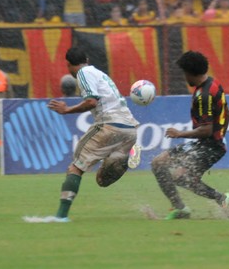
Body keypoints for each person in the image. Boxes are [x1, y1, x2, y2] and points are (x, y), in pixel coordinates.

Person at [24, 47, 141, 223]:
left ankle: (61, 216)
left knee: (75, 167)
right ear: (86, 59)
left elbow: (91, 102)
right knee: (101, 180)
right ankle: (122, 159)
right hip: (130, 129)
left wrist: (67, 110)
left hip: (109, 124)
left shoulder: (83, 74)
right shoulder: (99, 73)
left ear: (69, 65)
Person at [151, 51, 229, 220]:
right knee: (158, 163)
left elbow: (206, 130)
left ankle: (222, 199)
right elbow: (228, 113)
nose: (184, 77)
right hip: (204, 143)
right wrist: (221, 132)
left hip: (211, 146)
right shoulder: (213, 83)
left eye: (184, 73)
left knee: (182, 177)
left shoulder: (204, 96)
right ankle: (180, 208)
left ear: (190, 73)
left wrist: (179, 133)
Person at [0, 50, 13, 167]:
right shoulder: (4, 76)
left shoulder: (3, 76)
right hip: (0, 121)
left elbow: (10, 99)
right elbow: (10, 99)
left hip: (0, 120)